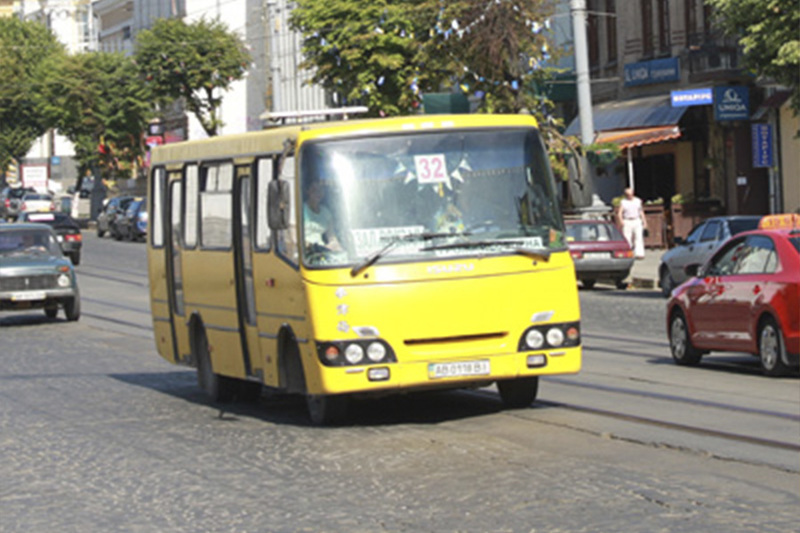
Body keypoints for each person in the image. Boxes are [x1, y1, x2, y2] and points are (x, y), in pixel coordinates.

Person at [303, 179, 341, 252]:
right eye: (314, 190)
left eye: (321, 190)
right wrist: (312, 247)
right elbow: (294, 239)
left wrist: (335, 246)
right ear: (307, 191)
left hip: (321, 251)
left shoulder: (326, 212)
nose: (318, 193)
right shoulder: (301, 210)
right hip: (304, 252)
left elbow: (331, 237)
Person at [616, 187, 647, 259]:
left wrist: (644, 221)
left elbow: (641, 212)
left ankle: (639, 254)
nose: (630, 196)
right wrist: (621, 221)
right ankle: (628, 252)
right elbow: (620, 213)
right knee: (627, 237)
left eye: (631, 194)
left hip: (636, 220)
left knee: (639, 237)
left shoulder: (638, 201)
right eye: (628, 194)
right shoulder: (623, 202)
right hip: (627, 220)